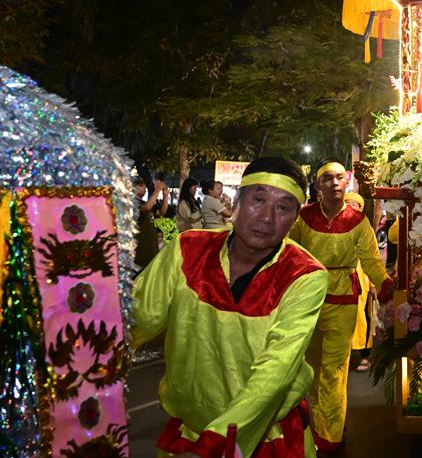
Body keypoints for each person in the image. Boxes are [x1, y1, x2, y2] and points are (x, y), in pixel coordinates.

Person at [132, 157, 328, 457]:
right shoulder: (187, 249)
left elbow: (277, 367)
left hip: (266, 440)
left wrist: (223, 437)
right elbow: (135, 317)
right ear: (235, 201)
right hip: (191, 436)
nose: (267, 217)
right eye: (258, 199)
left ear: (295, 219)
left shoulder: (303, 274)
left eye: (284, 207)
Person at [289, 160, 393, 455]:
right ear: (318, 185)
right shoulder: (302, 217)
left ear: (346, 184)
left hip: (343, 301)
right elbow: (288, 253)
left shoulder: (358, 223)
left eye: (339, 178)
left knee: (334, 371)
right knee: (310, 368)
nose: (334, 183)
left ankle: (330, 435)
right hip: (307, 301)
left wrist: (384, 285)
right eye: (327, 179)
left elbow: (372, 260)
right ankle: (319, 423)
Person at [344, 192, 375, 374]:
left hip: (362, 277)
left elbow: (372, 257)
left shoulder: (366, 228)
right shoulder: (334, 226)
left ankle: (365, 354)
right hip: (340, 279)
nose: (350, 207)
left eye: (353, 204)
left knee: (363, 314)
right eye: (347, 203)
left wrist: (374, 282)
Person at [133, 176, 169, 269]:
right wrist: (156, 191)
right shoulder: (132, 202)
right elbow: (146, 208)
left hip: (152, 244)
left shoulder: (144, 202)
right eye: (141, 186)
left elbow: (162, 212)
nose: (144, 188)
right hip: (141, 246)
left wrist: (165, 196)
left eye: (145, 186)